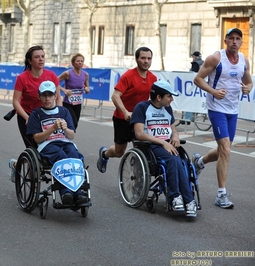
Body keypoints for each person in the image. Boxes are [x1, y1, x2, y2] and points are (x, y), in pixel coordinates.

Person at [192, 28, 252, 209]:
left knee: (223, 150)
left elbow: (249, 81)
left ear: (241, 42)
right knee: (226, 150)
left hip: (232, 111)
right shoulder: (216, 58)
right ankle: (221, 195)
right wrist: (213, 91)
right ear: (225, 41)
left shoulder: (244, 61)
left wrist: (248, 88)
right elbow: (198, 79)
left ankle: (199, 162)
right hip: (216, 108)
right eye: (231, 38)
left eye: (238, 39)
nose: (234, 41)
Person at [131, 80, 197, 217]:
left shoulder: (167, 109)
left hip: (167, 145)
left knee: (184, 162)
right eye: (169, 96)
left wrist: (176, 136)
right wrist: (162, 143)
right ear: (159, 97)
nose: (172, 99)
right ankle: (178, 197)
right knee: (173, 159)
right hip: (150, 146)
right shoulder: (142, 108)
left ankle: (186, 199)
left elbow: (173, 129)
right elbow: (139, 133)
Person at [26, 80, 88, 205]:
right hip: (47, 145)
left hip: (65, 142)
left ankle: (79, 192)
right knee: (61, 157)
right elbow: (37, 138)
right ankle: (66, 192)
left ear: (55, 96)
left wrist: (65, 129)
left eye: (50, 95)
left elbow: (72, 135)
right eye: (44, 95)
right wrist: (52, 129)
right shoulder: (36, 114)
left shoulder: (64, 112)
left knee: (74, 157)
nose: (47, 98)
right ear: (39, 96)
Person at [96, 46, 157, 173]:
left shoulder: (153, 78)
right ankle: (105, 154)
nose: (146, 61)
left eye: (149, 58)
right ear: (136, 59)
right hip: (122, 118)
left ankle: (138, 180)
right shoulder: (128, 76)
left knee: (142, 149)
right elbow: (115, 96)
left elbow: (155, 99)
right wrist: (125, 112)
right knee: (119, 152)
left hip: (139, 119)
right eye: (143, 58)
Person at [9, 45, 63, 182]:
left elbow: (58, 97)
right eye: (37, 57)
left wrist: (60, 115)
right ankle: (31, 182)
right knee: (33, 149)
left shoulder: (51, 76)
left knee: (49, 146)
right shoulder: (22, 78)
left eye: (43, 56)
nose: (41, 59)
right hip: (26, 116)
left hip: (46, 116)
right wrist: (27, 118)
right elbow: (16, 102)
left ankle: (17, 165)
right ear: (30, 60)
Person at [58, 53, 89, 129]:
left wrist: (87, 89)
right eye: (78, 61)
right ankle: (65, 137)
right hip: (68, 103)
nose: (80, 62)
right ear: (73, 63)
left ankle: (66, 137)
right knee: (73, 122)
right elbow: (54, 81)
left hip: (78, 103)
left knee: (75, 125)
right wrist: (64, 90)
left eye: (82, 61)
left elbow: (87, 87)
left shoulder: (85, 75)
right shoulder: (67, 73)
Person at [181, 51, 205, 125]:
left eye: (193, 57)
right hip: (202, 85)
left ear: (195, 57)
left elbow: (192, 75)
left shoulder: (196, 64)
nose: (193, 58)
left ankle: (187, 118)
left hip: (194, 85)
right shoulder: (203, 62)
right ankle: (193, 116)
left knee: (189, 101)